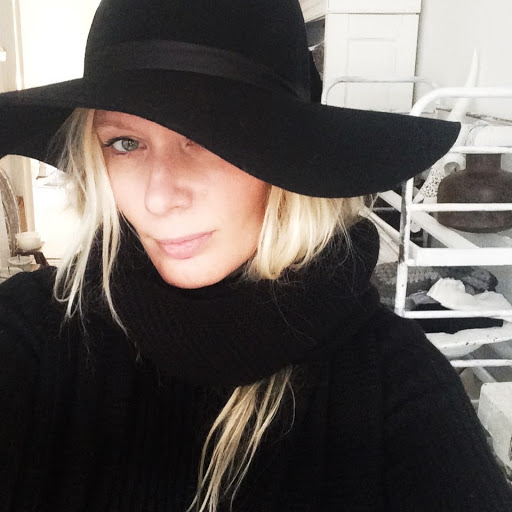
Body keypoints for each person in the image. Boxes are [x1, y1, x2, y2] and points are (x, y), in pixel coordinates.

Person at [0, 0, 510, 511]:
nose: (158, 198)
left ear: (285, 159)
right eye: (126, 143)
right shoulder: (33, 334)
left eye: (206, 136)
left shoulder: (395, 389)